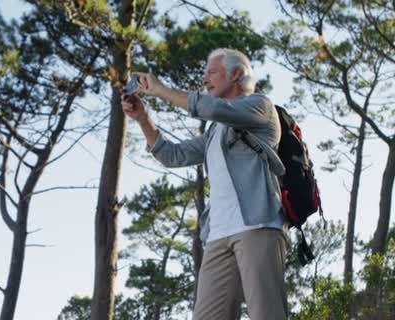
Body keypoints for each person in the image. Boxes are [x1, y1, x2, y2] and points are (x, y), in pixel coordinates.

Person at [122, 48, 288, 320]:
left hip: (258, 225)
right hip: (218, 235)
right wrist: (143, 119)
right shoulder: (214, 132)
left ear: (235, 74)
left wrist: (161, 90)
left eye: (212, 72)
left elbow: (208, 107)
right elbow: (172, 155)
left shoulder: (261, 107)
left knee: (266, 314)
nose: (205, 79)